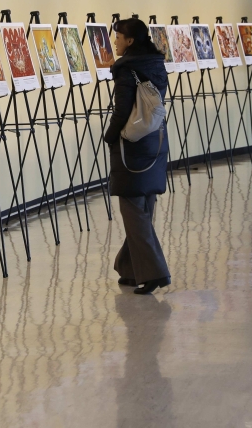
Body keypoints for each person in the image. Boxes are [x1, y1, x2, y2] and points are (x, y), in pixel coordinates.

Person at [103, 18, 171, 295]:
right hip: (155, 139)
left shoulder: (125, 70)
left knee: (133, 210)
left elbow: (122, 112)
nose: (115, 41)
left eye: (118, 37)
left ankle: (155, 272)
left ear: (130, 41)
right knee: (144, 206)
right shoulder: (155, 64)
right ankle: (130, 268)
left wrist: (109, 136)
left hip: (131, 144)